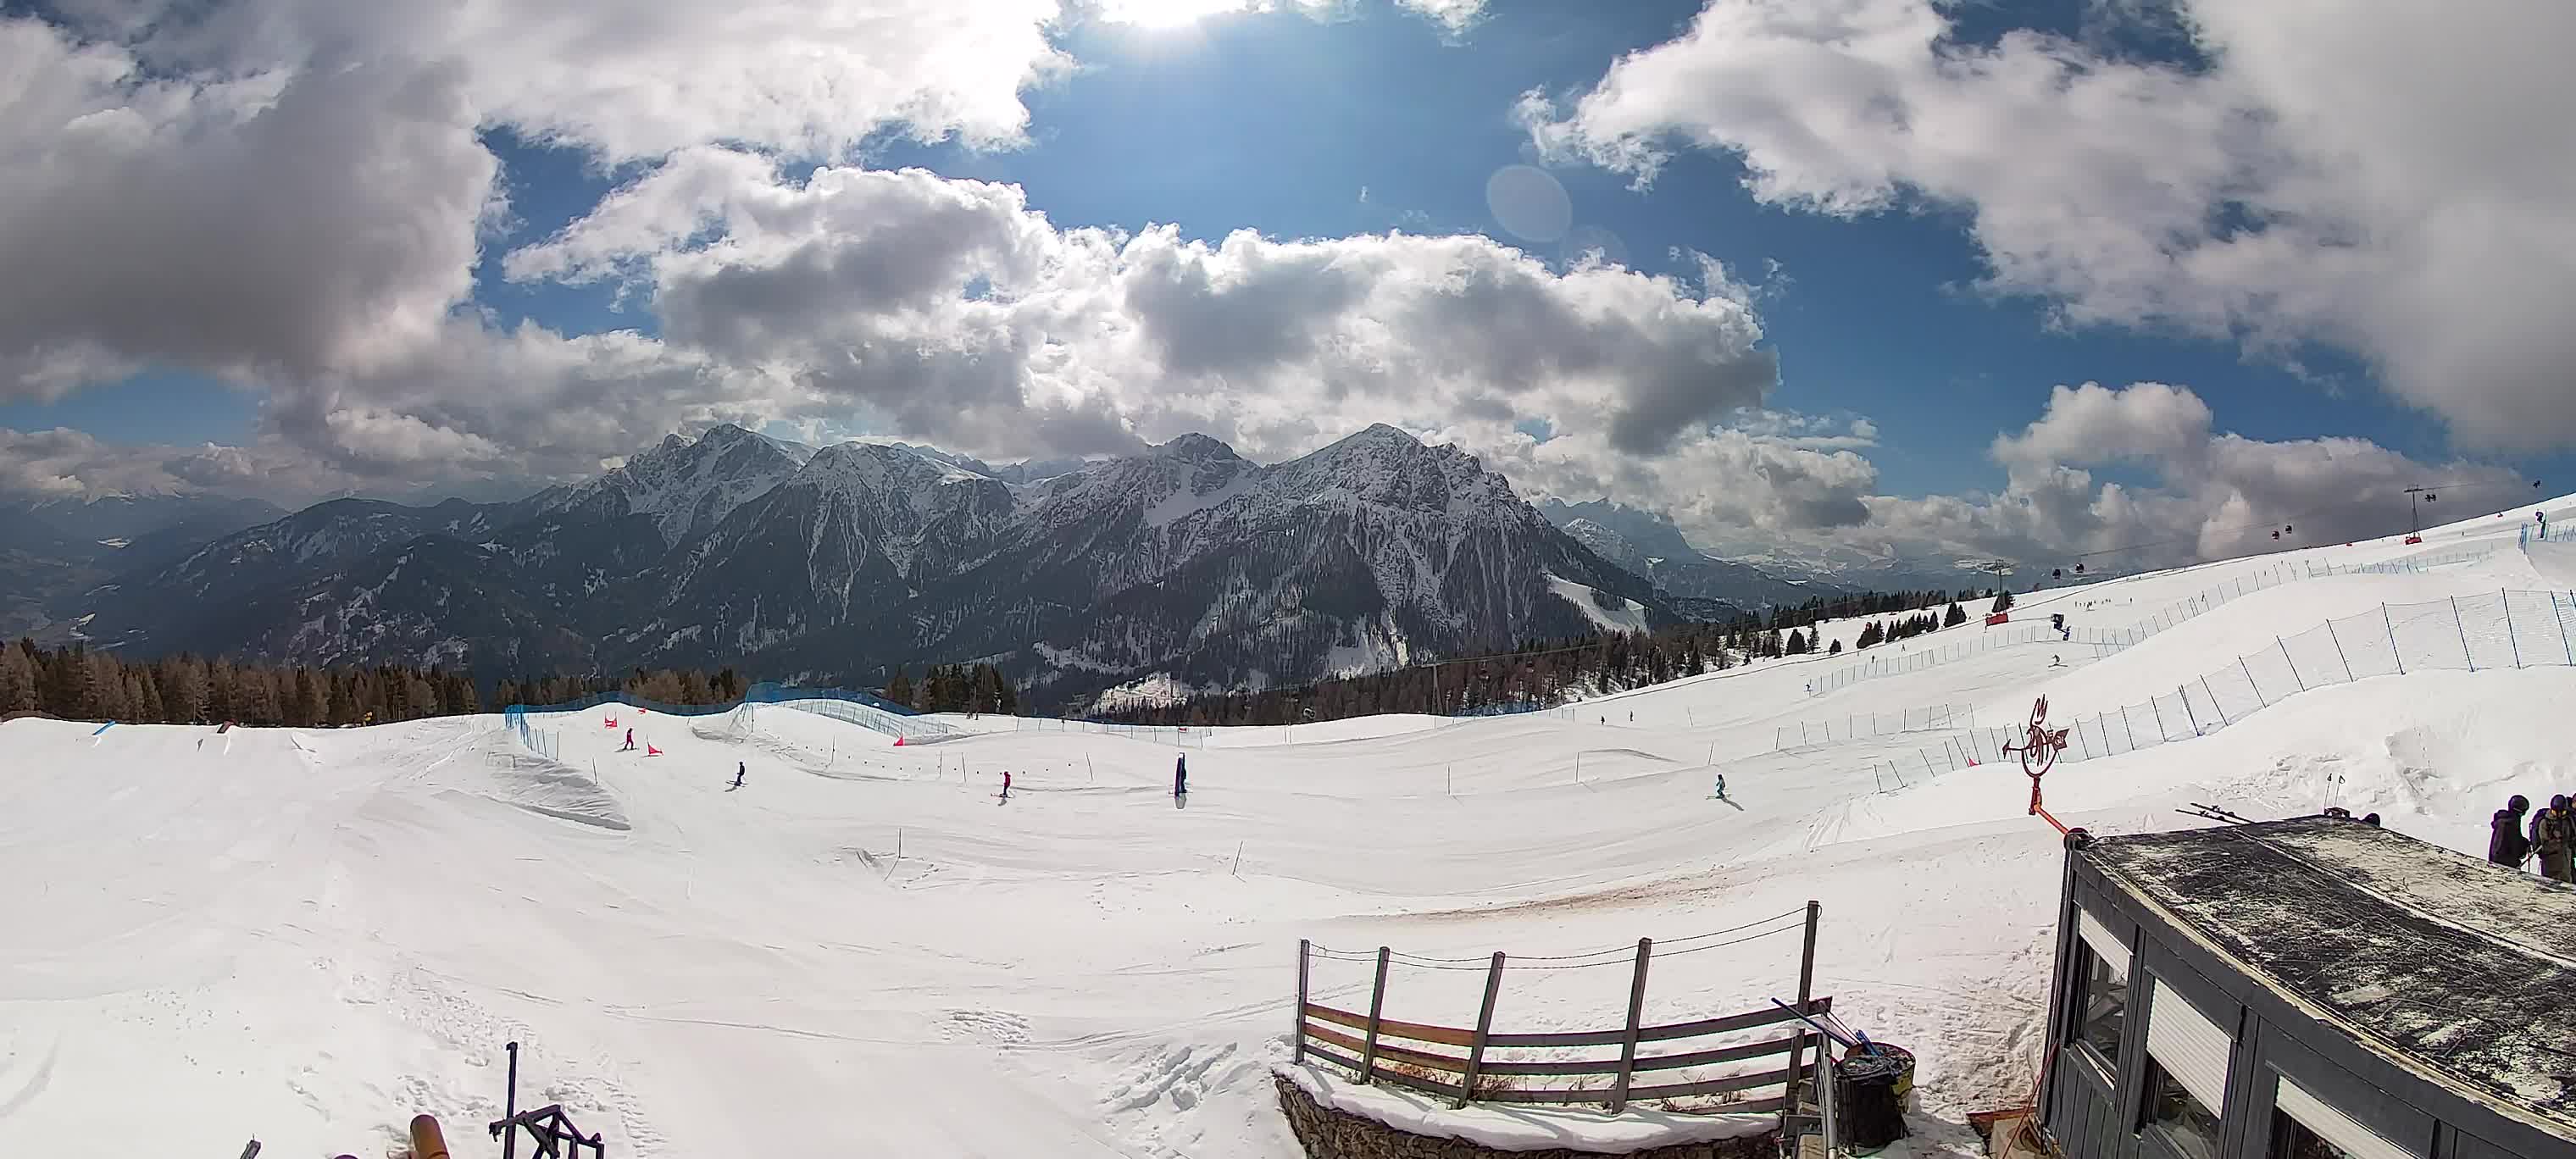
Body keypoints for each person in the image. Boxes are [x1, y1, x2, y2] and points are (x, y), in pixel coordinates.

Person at [2534, 796, 2573, 883]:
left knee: (2566, 888)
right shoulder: (2545, 823)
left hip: (2565, 863)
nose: (2559, 815)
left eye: (2562, 812)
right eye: (2556, 812)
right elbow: (2544, 843)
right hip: (2550, 864)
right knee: (2549, 887)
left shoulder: (2568, 821)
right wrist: (2559, 843)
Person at [2489, 796, 2531, 867]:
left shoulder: (2504, 820)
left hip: (2497, 861)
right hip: (2506, 863)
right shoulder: (2511, 822)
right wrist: (2525, 845)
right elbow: (2514, 843)